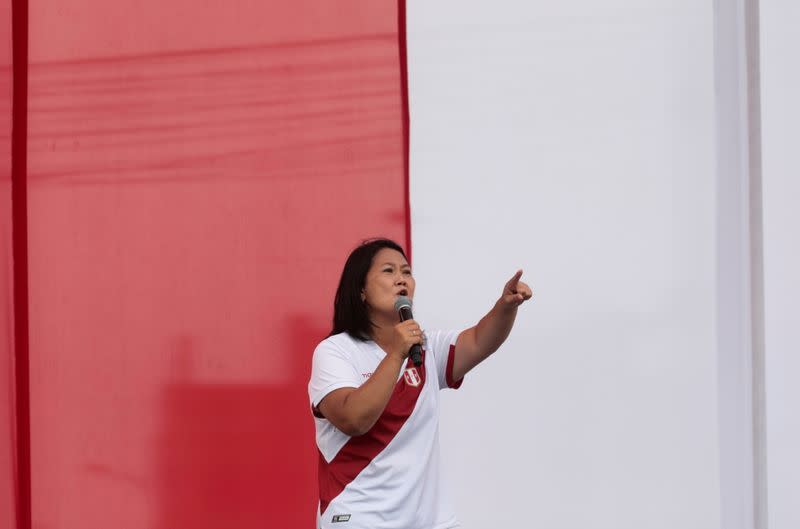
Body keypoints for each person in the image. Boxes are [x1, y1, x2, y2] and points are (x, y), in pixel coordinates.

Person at [308, 238, 532, 529]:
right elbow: (354, 419)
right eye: (388, 271)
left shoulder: (426, 349)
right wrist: (397, 352)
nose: (401, 278)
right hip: (360, 518)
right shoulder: (335, 352)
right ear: (361, 290)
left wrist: (506, 306)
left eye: (407, 272)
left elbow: (479, 341)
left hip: (431, 521)